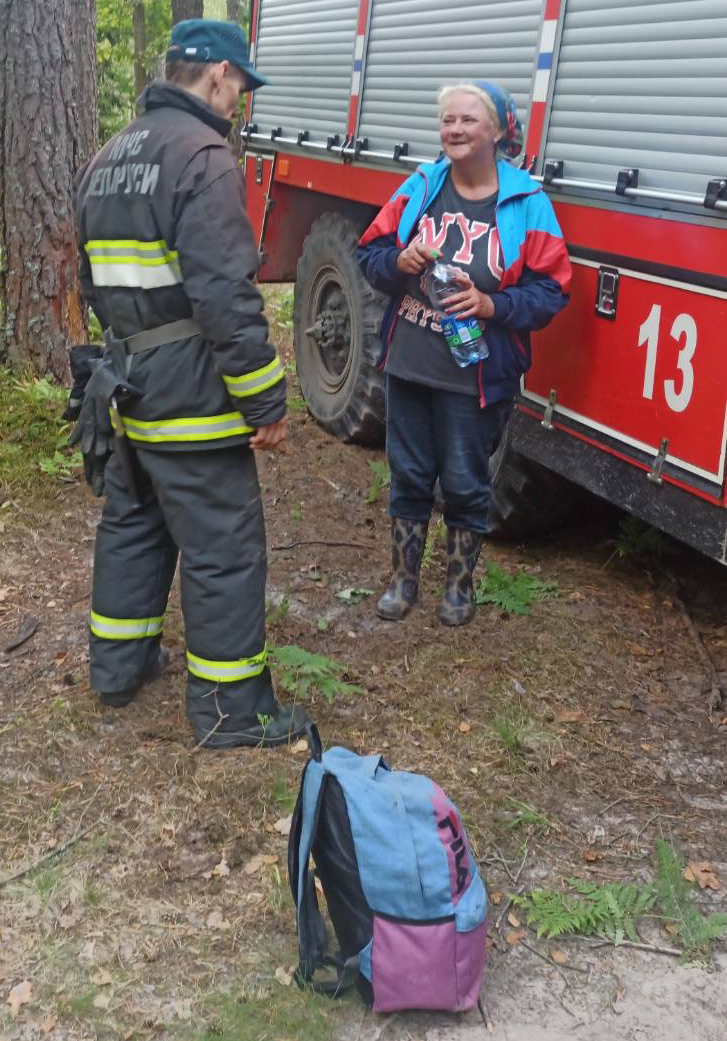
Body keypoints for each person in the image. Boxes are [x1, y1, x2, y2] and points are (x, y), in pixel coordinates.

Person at [71, 19, 310, 748]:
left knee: (134, 523)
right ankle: (232, 710)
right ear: (213, 77)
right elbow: (227, 298)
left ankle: (118, 667)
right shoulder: (203, 158)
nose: (239, 101)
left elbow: (89, 280)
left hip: (126, 382)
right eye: (238, 85)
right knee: (223, 546)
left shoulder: (109, 155)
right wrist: (266, 399)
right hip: (190, 392)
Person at [357, 82, 571, 626]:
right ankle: (403, 582)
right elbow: (370, 255)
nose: (454, 129)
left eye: (468, 120)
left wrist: (491, 305)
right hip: (409, 362)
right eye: (448, 120)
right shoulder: (422, 185)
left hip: (475, 374)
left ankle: (459, 587)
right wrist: (400, 262)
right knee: (407, 474)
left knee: (465, 481)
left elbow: (552, 291)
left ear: (498, 131)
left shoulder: (526, 202)